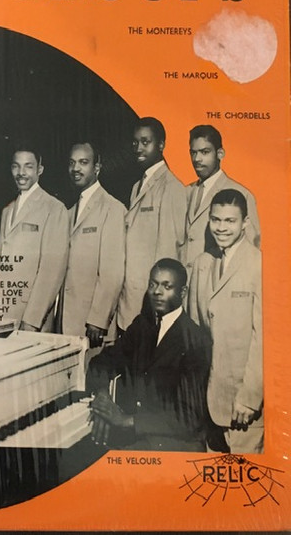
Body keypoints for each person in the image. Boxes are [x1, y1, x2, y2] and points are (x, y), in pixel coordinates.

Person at [87, 258, 212, 451]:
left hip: (176, 443)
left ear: (183, 292)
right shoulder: (142, 326)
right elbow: (102, 361)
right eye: (153, 284)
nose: (157, 292)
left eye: (166, 286)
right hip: (138, 437)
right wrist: (103, 399)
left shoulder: (195, 339)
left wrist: (126, 420)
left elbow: (190, 417)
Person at [188, 189, 263, 453]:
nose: (221, 228)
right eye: (215, 220)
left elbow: (264, 339)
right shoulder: (202, 264)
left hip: (243, 405)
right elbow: (194, 333)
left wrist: (250, 398)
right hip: (207, 404)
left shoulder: (259, 264)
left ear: (245, 223)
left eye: (230, 221)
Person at [117, 117, 186, 331]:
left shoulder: (171, 187)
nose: (138, 148)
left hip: (148, 304)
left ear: (161, 145)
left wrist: (159, 307)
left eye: (145, 142)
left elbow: (168, 253)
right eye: (135, 142)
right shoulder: (136, 186)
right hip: (129, 300)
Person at [0, 148, 68, 332]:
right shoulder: (7, 210)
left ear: (39, 170)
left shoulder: (54, 208)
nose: (21, 172)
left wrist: (32, 320)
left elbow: (52, 270)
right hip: (1, 313)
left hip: (30, 319)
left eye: (28, 166)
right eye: (16, 166)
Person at [60, 141, 125, 347]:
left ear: (97, 167)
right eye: (72, 163)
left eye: (83, 162)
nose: (75, 168)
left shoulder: (113, 209)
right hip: (64, 324)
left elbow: (112, 272)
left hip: (93, 328)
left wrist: (98, 319)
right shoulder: (68, 212)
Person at [180, 124, 260, 273]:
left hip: (214, 281)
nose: (197, 159)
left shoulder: (241, 194)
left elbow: (250, 252)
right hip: (183, 282)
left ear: (220, 153)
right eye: (193, 153)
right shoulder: (184, 192)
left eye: (205, 152)